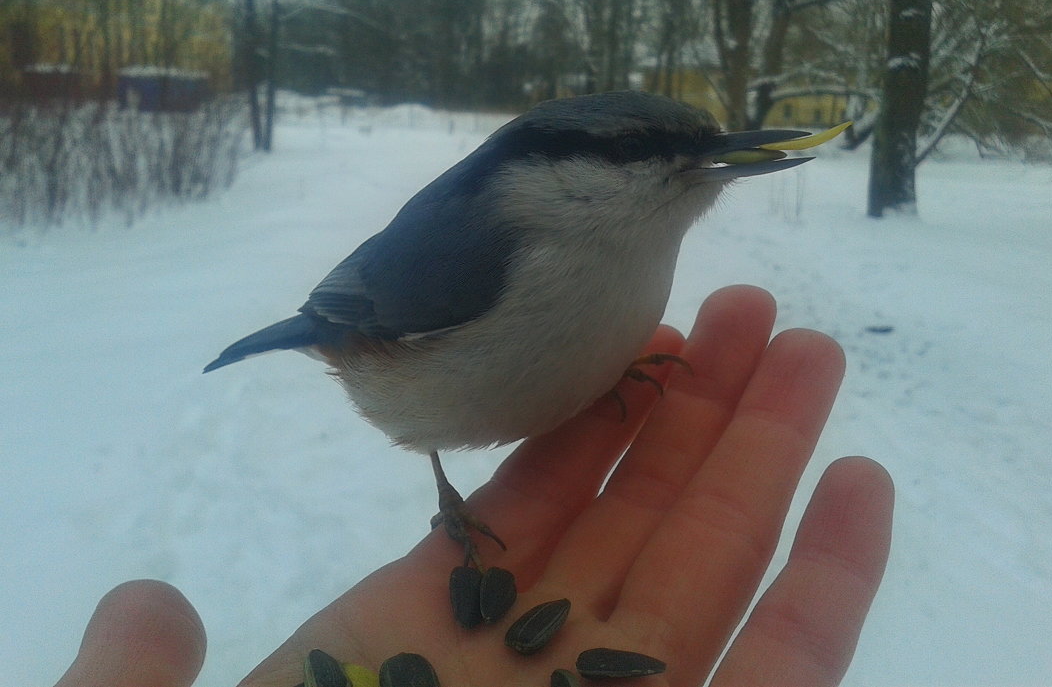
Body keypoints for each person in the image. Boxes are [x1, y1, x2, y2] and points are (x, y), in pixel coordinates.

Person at [53, 286, 894, 687]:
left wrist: (598, 379)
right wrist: (452, 499)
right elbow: (365, 312)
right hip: (375, 332)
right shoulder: (485, 254)